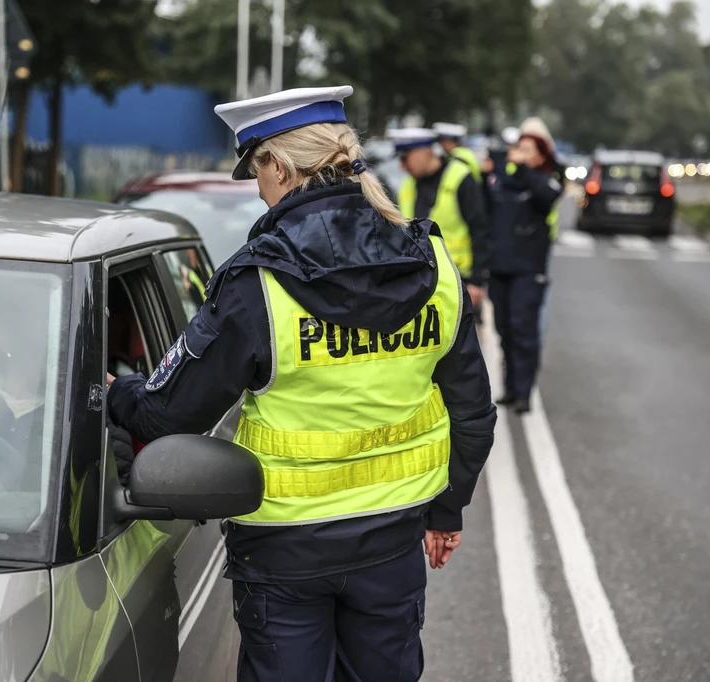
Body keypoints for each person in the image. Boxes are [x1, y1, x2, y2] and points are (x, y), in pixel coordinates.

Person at [107, 85, 496, 682]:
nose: (257, 191)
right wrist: (447, 511)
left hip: (284, 554)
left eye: (256, 172)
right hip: (393, 542)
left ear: (281, 168)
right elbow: (473, 411)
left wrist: (113, 391)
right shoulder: (433, 264)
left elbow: (166, 416)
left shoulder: (256, 283)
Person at [486, 116, 564, 414]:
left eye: (529, 150)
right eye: (520, 148)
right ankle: (509, 387)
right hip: (500, 267)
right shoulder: (508, 179)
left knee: (524, 331)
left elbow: (547, 196)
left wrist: (525, 166)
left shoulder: (545, 179)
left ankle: (524, 392)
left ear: (542, 156)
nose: (520, 154)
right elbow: (489, 201)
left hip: (529, 270)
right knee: (505, 330)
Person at [392, 127, 490, 324]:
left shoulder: (460, 177)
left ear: (425, 151)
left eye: (405, 158)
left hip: (458, 280)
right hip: (421, 281)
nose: (403, 167)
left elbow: (480, 229)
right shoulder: (408, 186)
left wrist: (477, 281)